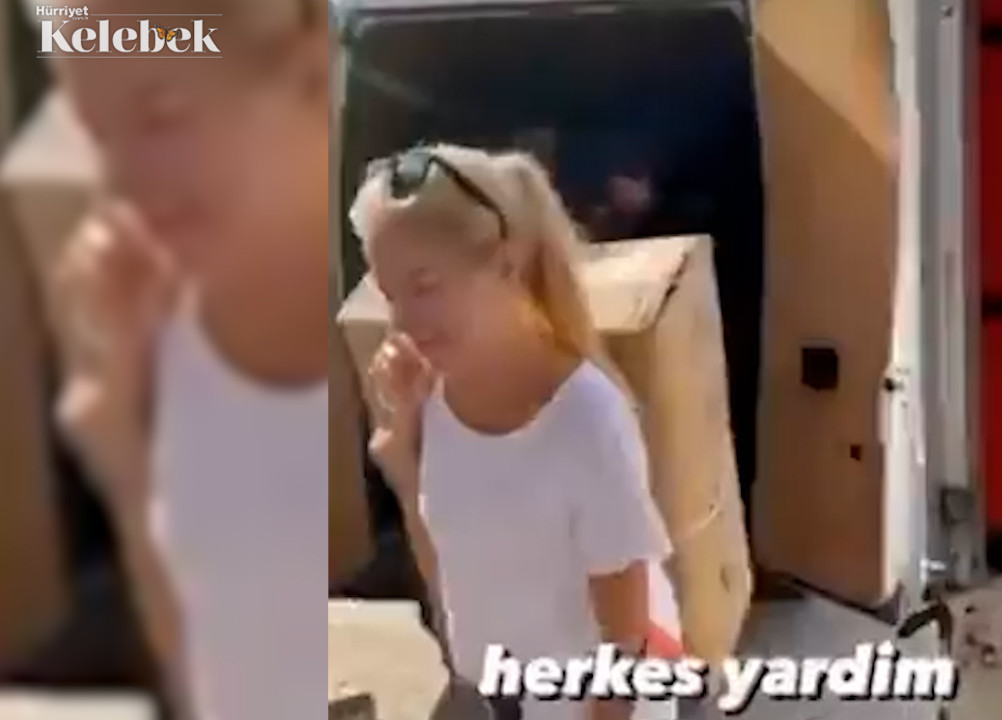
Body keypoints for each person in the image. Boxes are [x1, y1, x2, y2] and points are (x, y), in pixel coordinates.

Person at [48, 1, 331, 718]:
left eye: (162, 117)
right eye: (98, 135)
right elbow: (210, 672)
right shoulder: (155, 328)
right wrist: (124, 448)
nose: (119, 182)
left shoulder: (413, 329)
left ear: (312, 72)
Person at [353, 143, 674, 720]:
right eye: (390, 294)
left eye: (424, 286)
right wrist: (403, 449)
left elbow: (628, 641)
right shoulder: (433, 394)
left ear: (505, 263)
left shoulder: (586, 420)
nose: (402, 321)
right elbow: (448, 571)